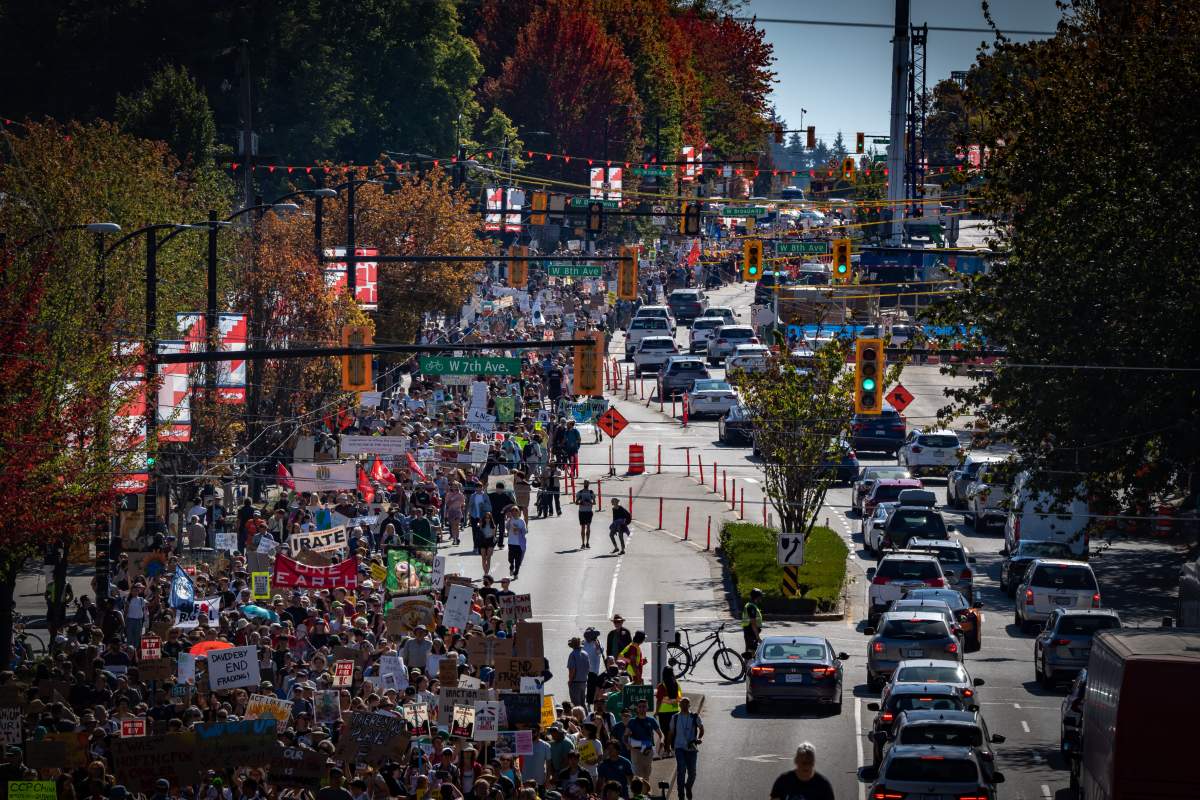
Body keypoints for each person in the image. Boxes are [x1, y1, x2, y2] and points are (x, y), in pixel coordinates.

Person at [769, 743, 835, 800]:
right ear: (796, 761)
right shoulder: (783, 781)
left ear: (813, 763)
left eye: (809, 762)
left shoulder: (823, 785)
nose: (806, 766)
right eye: (804, 763)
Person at [667, 697, 703, 800]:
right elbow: (670, 733)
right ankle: (681, 795)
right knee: (681, 769)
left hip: (692, 748)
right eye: (682, 703)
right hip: (679, 748)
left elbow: (701, 729)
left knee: (692, 773)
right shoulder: (675, 717)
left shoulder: (694, 716)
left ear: (689, 705)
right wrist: (668, 746)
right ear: (679, 705)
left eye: (687, 703)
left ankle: (688, 786)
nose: (684, 705)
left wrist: (699, 738)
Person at [622, 699, 661, 781]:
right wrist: (627, 745)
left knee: (647, 772)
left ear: (647, 708)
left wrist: (659, 745)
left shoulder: (651, 720)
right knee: (637, 773)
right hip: (636, 750)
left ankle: (646, 790)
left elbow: (661, 734)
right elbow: (625, 736)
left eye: (644, 706)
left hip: (648, 748)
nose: (642, 709)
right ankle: (640, 791)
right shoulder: (632, 721)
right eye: (640, 707)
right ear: (637, 708)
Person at [655, 667, 683, 741]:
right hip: (675, 711)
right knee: (674, 732)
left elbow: (659, 701)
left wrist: (656, 712)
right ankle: (673, 748)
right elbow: (680, 697)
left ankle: (667, 749)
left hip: (663, 713)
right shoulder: (676, 684)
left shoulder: (661, 686)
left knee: (665, 732)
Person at [505, 506, 528, 580]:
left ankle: (516, 573)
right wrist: (508, 525)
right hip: (511, 542)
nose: (514, 513)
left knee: (518, 560)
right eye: (513, 512)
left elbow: (525, 531)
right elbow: (507, 528)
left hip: (519, 543)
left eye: (516, 511)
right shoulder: (510, 520)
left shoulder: (521, 521)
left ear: (519, 512)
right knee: (510, 558)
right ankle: (511, 566)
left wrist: (519, 529)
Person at [567, 637, 590, 708]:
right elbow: (588, 668)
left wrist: (570, 681)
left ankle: (579, 719)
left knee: (576, 705)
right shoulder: (585, 654)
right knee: (582, 703)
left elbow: (572, 670)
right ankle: (585, 718)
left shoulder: (572, 655)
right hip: (583, 681)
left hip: (575, 682)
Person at [741, 588, 764, 655]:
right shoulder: (751, 607)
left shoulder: (750, 605)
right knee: (751, 651)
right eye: (760, 596)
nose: (761, 598)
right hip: (750, 632)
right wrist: (757, 637)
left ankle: (746, 664)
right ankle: (747, 665)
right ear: (757, 597)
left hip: (749, 631)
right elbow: (753, 623)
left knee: (750, 650)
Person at [575, 480, 596, 549]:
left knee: (588, 527)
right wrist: (581, 503)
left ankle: (587, 543)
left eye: (587, 483)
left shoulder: (591, 492)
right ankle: (583, 543)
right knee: (583, 527)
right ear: (583, 484)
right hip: (582, 511)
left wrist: (589, 503)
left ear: (588, 484)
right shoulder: (580, 492)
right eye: (585, 483)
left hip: (589, 511)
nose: (586, 484)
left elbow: (594, 503)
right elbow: (576, 502)